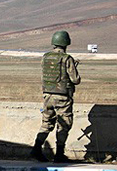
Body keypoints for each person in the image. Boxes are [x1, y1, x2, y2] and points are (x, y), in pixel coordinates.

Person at [31, 30, 81, 163]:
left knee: (46, 123)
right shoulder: (66, 59)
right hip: (62, 98)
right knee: (64, 125)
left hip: (47, 96)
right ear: (66, 43)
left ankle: (36, 148)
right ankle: (59, 154)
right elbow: (75, 79)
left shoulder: (45, 57)